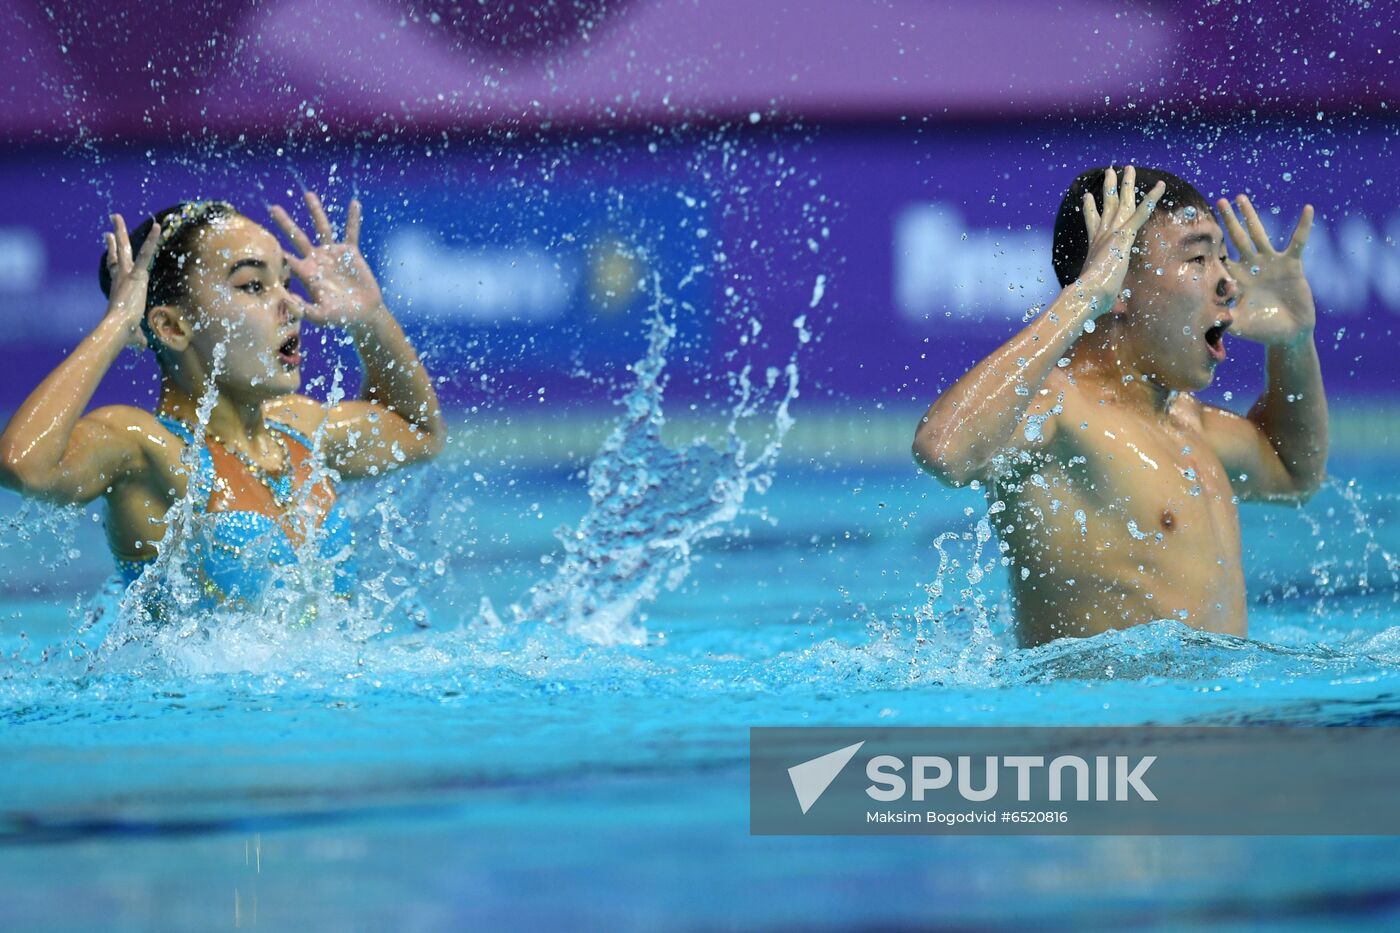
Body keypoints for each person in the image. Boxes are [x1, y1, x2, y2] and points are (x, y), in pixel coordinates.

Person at [912, 165, 1327, 647]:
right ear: (1119, 283)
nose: (1228, 283)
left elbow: (1293, 475)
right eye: (1198, 259)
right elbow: (943, 450)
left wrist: (1294, 344)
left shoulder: (1185, 420)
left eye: (1222, 258)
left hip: (1213, 713)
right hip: (1106, 719)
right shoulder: (1059, 411)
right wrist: (1084, 295)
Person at [0, 192, 444, 615]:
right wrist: (118, 324)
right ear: (173, 327)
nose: (289, 303)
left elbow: (419, 432)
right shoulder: (146, 449)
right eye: (253, 285)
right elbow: (24, 465)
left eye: (285, 283)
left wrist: (371, 319)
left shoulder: (298, 430)